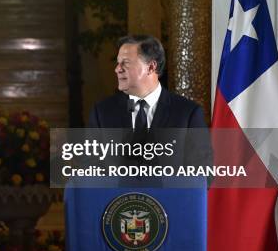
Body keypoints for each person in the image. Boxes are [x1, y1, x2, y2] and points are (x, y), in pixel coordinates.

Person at [88, 35, 209, 169]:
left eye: (126, 62)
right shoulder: (102, 112)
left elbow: (203, 173)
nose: (118, 69)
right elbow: (90, 170)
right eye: (118, 62)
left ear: (151, 67)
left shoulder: (188, 113)